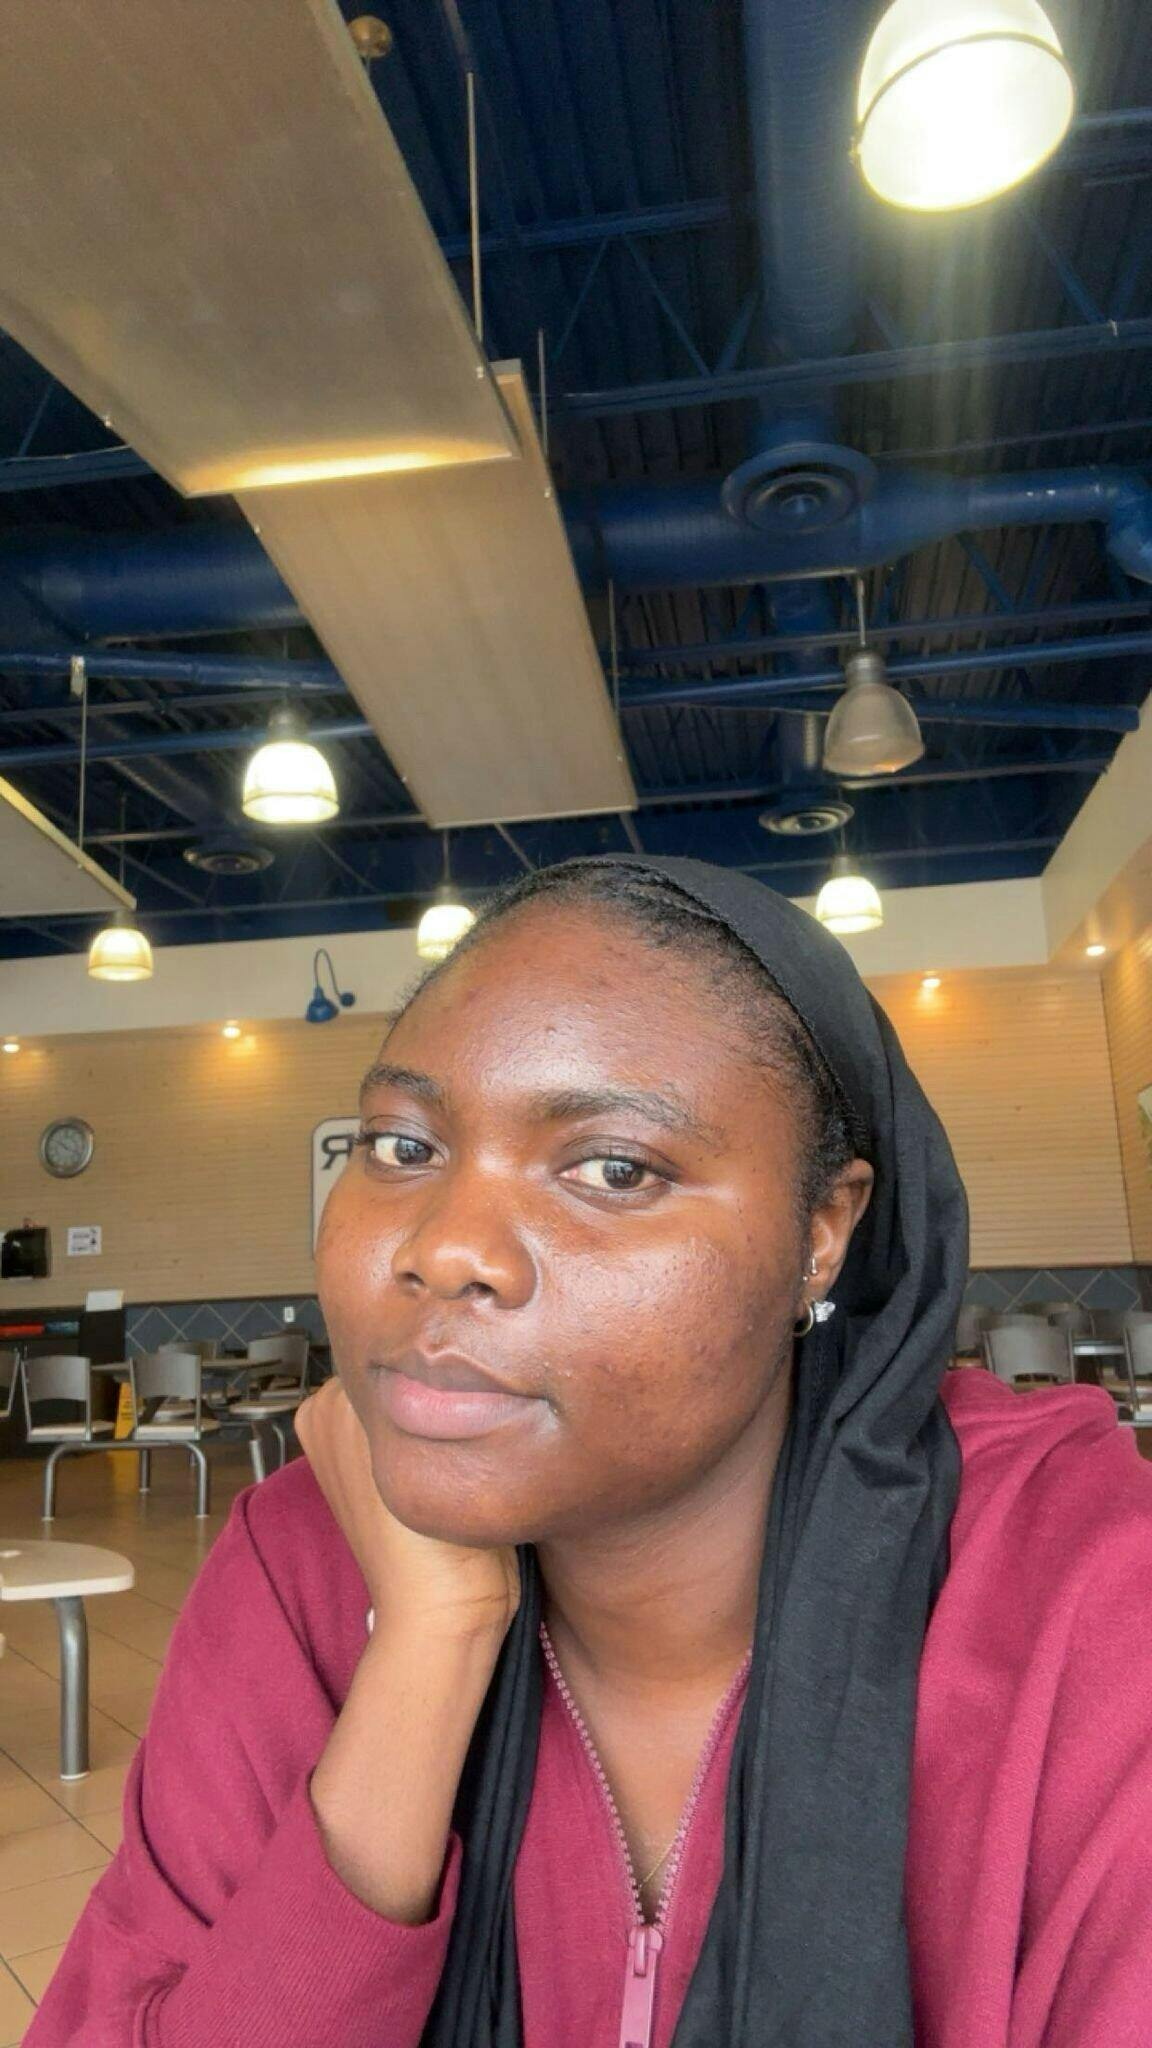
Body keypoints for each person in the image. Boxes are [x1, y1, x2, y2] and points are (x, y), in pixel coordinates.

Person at [25, 855, 1152, 2048]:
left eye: (615, 1166)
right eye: (400, 1145)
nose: (443, 1248)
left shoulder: (1086, 1590)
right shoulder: (298, 1560)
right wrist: (429, 1645)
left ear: (821, 1232)